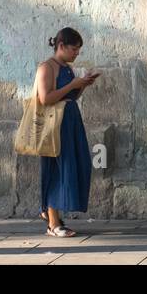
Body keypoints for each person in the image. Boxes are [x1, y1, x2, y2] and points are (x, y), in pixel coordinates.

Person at [34, 27, 99, 237]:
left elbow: (70, 96)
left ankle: (51, 214)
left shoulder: (66, 67)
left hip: (70, 122)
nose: (76, 54)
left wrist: (82, 85)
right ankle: (53, 222)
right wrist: (73, 83)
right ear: (60, 46)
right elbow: (46, 98)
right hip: (55, 126)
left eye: (78, 50)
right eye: (73, 49)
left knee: (75, 166)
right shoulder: (47, 67)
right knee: (56, 169)